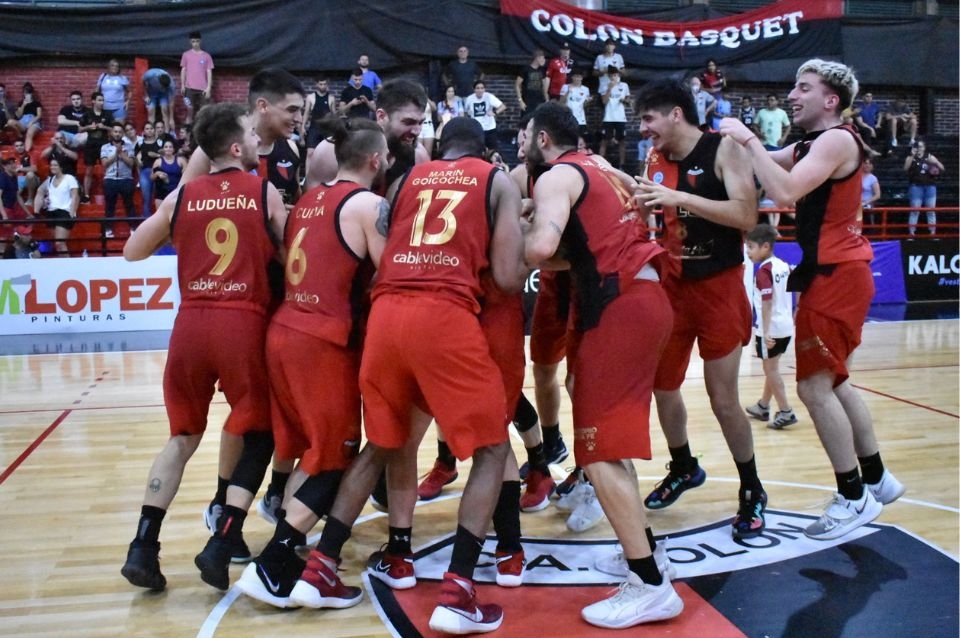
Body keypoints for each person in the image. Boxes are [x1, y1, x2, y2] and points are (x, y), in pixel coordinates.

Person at [291, 117, 526, 634]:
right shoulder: (496, 180)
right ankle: (459, 591)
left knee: (381, 443)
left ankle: (321, 567)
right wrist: (526, 237)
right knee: (492, 448)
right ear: (482, 150)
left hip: (385, 315)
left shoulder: (403, 181)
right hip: (443, 315)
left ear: (441, 149)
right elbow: (509, 277)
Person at [720, 58, 906, 541]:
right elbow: (762, 167)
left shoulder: (837, 140)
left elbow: (782, 188)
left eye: (804, 87)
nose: (792, 95)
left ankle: (853, 496)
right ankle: (877, 477)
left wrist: (748, 138)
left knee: (813, 388)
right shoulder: (810, 143)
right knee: (836, 381)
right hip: (837, 274)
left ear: (830, 99)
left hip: (838, 276)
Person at [523, 101, 682, 630]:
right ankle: (648, 554)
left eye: (525, 134)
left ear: (542, 138)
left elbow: (542, 247)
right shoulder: (604, 168)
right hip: (642, 297)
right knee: (609, 443)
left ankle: (649, 585)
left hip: (620, 305)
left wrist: (498, 244)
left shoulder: (557, 176)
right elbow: (578, 250)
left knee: (598, 450)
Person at [120, 102, 287, 592]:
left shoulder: (182, 196)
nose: (257, 142)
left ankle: (143, 546)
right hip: (242, 323)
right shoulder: (262, 191)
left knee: (182, 437)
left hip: (190, 324)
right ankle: (223, 539)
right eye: (252, 136)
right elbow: (290, 255)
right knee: (259, 432)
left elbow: (132, 251)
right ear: (236, 147)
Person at [226, 119, 389, 607]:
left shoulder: (309, 200)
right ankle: (271, 565)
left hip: (285, 329)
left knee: (313, 453)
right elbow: (392, 273)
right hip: (322, 340)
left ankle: (284, 554)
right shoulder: (367, 205)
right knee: (336, 454)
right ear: (375, 160)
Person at [632, 78, 766, 541]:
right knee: (661, 385)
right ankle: (684, 465)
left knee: (723, 398)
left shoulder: (724, 148)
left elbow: (747, 216)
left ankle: (752, 488)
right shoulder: (654, 159)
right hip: (672, 287)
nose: (643, 128)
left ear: (675, 113)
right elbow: (648, 215)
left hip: (719, 287)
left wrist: (681, 198)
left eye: (648, 119)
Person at [743, 224, 797, 430]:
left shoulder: (764, 272)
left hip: (771, 328)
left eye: (751, 247)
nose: (748, 251)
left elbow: (766, 303)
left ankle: (786, 411)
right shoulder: (783, 265)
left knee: (771, 370)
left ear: (765, 246)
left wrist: (765, 332)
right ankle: (763, 406)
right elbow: (798, 283)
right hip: (786, 327)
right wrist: (797, 308)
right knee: (772, 368)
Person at [33, 158, 79, 256]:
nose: (52, 167)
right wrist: (37, 210)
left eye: (55, 165)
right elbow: (40, 191)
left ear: (61, 167)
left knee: (59, 243)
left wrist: (72, 213)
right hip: (51, 213)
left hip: (64, 212)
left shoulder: (69, 178)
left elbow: (75, 196)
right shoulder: (49, 180)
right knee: (58, 245)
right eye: (51, 165)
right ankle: (63, 263)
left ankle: (68, 263)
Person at [99, 123, 137, 238]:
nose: (117, 134)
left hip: (126, 179)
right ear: (111, 133)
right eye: (115, 131)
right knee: (110, 206)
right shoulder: (105, 147)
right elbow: (104, 164)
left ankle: (133, 229)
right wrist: (116, 154)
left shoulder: (129, 147)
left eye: (120, 132)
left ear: (123, 134)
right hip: (110, 179)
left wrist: (121, 154)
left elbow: (131, 163)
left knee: (129, 205)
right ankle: (108, 229)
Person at [79, 92, 114, 203]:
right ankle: (86, 195)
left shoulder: (107, 114)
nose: (101, 102)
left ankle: (109, 194)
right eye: (99, 100)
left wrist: (104, 127)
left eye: (102, 100)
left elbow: (114, 129)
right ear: (93, 101)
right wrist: (89, 127)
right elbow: (79, 129)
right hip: (91, 145)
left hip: (104, 145)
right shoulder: (87, 114)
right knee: (89, 170)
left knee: (107, 170)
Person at [904, 139, 944, 236]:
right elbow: (905, 168)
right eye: (917, 146)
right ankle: (912, 232)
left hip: (930, 187)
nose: (919, 148)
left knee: (931, 210)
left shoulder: (929, 157)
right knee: (915, 210)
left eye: (921, 146)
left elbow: (942, 168)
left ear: (924, 148)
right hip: (916, 187)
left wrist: (936, 162)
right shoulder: (910, 157)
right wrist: (912, 155)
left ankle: (932, 232)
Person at [0, 154, 32, 259]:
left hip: (10, 209)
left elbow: (18, 196)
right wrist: (4, 216)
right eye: (9, 163)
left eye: (13, 162)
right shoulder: (2, 177)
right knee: (3, 239)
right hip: (4, 210)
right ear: (4, 166)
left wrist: (28, 213)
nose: (13, 165)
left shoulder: (14, 177)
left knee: (7, 238)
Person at [598, 67, 630, 169]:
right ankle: (600, 165)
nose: (613, 77)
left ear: (618, 75)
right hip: (608, 117)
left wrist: (624, 101)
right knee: (604, 141)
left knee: (622, 141)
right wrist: (609, 89)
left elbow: (628, 100)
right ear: (608, 76)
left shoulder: (624, 85)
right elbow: (604, 102)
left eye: (615, 75)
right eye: (611, 75)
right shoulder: (604, 86)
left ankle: (622, 166)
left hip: (620, 117)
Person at [181, 31, 215, 124]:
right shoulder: (186, 55)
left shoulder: (206, 56)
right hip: (189, 88)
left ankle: (201, 130)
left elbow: (209, 72)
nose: (195, 43)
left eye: (197, 41)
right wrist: (183, 85)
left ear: (200, 41)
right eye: (193, 41)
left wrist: (208, 88)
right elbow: (183, 70)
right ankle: (188, 130)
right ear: (190, 42)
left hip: (202, 89)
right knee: (189, 110)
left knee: (204, 112)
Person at [463, 80, 506, 152]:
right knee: (477, 150)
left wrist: (495, 112)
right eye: (477, 88)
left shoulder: (489, 96)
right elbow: (465, 112)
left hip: (490, 128)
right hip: (476, 129)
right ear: (474, 90)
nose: (480, 90)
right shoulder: (469, 99)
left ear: (484, 89)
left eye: (482, 88)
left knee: (492, 151)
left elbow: (503, 106)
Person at [303, 77, 336, 155]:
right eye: (321, 84)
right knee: (310, 153)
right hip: (314, 128)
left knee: (329, 153)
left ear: (327, 85)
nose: (323, 86)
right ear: (316, 84)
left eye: (324, 84)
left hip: (327, 129)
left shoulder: (331, 98)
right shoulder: (310, 97)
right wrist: (303, 126)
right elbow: (306, 113)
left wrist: (335, 128)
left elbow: (334, 115)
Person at [135, 122, 162, 216]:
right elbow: (136, 159)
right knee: (146, 198)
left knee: (159, 197)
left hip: (158, 172)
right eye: (147, 129)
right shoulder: (140, 143)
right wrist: (138, 162)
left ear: (154, 130)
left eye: (151, 128)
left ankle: (159, 219)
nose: (149, 130)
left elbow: (165, 155)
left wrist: (156, 155)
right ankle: (146, 218)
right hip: (145, 172)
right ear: (143, 131)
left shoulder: (160, 142)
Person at [151, 140, 185, 211]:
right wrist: (157, 174)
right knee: (160, 214)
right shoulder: (158, 161)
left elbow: (188, 175)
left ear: (173, 149)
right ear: (163, 149)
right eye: (166, 147)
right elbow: (151, 178)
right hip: (161, 192)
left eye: (170, 147)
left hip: (176, 191)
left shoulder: (181, 160)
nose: (168, 149)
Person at [8, 82, 43, 151]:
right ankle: (20, 135)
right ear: (24, 93)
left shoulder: (37, 103)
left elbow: (39, 115)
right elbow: (18, 115)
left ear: (32, 93)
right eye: (26, 93)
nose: (27, 95)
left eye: (29, 93)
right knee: (10, 122)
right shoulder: (21, 103)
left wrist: (31, 122)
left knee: (29, 134)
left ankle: (27, 152)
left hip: (33, 120)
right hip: (23, 121)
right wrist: (24, 104)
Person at [560, 69, 591, 144]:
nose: (577, 78)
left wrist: (588, 101)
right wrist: (568, 92)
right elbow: (561, 102)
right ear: (572, 77)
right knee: (568, 138)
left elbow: (584, 105)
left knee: (580, 138)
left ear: (582, 78)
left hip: (580, 118)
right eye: (575, 76)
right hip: (568, 117)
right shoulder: (565, 87)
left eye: (579, 77)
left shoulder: (585, 89)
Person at [515, 49, 547, 118]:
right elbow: (517, 85)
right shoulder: (525, 69)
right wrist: (520, 101)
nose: (544, 60)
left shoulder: (542, 70)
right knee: (526, 120)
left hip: (539, 101)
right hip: (527, 101)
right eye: (542, 58)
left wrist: (547, 100)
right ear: (537, 58)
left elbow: (544, 88)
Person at [96, 59, 130, 124]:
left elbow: (129, 91)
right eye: (112, 65)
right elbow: (97, 91)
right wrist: (96, 102)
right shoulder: (103, 76)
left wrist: (128, 101)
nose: (115, 67)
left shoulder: (122, 78)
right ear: (108, 67)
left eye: (117, 66)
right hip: (104, 107)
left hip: (119, 107)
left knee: (119, 127)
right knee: (105, 126)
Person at [860, 156, 881, 230]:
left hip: (867, 206)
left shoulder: (873, 178)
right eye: (865, 163)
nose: (867, 165)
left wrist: (865, 202)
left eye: (869, 164)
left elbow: (878, 195)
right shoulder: (857, 177)